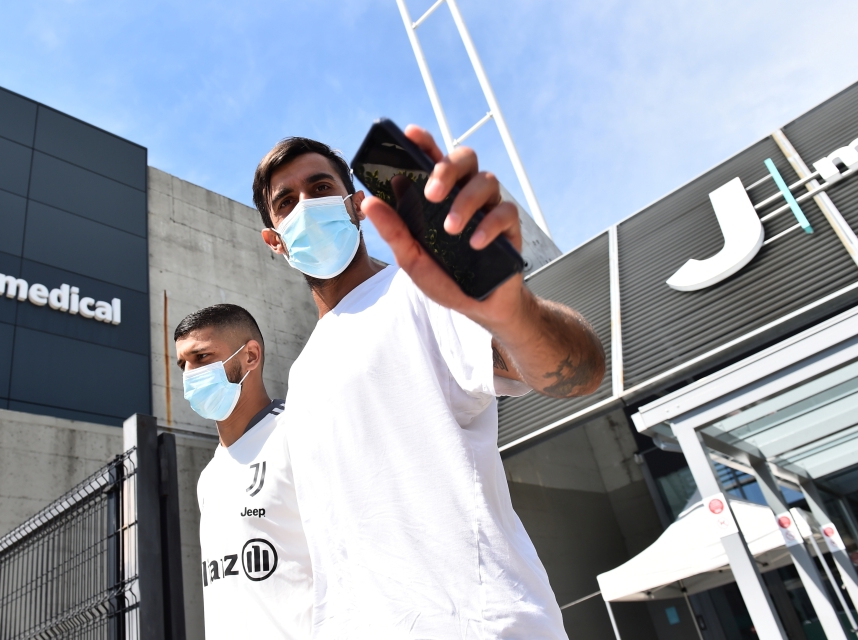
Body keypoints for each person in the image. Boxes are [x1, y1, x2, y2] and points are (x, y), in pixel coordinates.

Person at [252, 128, 606, 638]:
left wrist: (513, 311)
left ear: (356, 205)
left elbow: (580, 373)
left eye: (321, 188)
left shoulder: (419, 291)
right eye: (287, 202)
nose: (306, 205)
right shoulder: (302, 374)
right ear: (275, 240)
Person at [175, 304, 311, 639]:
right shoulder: (209, 476)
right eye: (183, 364)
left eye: (202, 357)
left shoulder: (299, 432)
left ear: (250, 356)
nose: (189, 374)